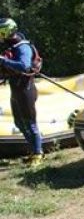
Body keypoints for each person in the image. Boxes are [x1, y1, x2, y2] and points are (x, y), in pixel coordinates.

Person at [0, 18, 43, 165]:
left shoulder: (22, 47)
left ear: (7, 32)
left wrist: (2, 61)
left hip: (26, 89)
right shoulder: (12, 46)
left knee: (30, 123)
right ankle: (33, 150)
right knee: (19, 123)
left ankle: (38, 154)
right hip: (16, 89)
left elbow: (24, 66)